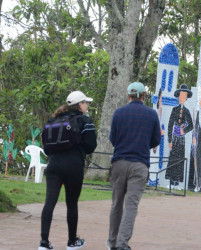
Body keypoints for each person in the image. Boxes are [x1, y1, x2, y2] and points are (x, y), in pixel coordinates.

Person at [39, 91, 97, 250]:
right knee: (71, 204)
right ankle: (72, 241)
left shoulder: (54, 120)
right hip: (73, 165)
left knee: (49, 202)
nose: (87, 106)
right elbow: (91, 146)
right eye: (86, 103)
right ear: (80, 105)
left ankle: (44, 242)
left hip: (54, 166)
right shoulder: (84, 120)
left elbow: (46, 149)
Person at [106, 82, 161, 250]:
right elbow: (156, 139)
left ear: (128, 96)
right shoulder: (151, 114)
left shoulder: (119, 113)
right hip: (139, 164)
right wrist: (143, 144)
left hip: (119, 162)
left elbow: (113, 138)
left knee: (116, 203)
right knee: (131, 205)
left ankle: (112, 242)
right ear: (144, 96)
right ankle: (122, 244)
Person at [165, 84, 193, 187]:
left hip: (181, 139)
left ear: (186, 98)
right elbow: (169, 125)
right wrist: (169, 140)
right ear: (178, 97)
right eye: (181, 95)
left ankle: (177, 182)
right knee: (173, 158)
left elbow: (191, 125)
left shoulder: (187, 111)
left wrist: (184, 130)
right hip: (174, 137)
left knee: (180, 159)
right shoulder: (174, 110)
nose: (182, 97)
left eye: (184, 96)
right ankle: (171, 181)